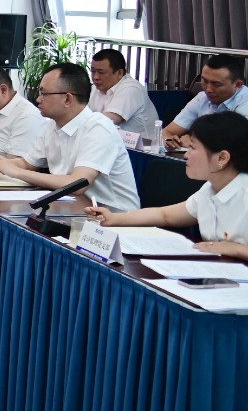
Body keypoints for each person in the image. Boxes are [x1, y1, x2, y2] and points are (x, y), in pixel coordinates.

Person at [0, 62, 140, 212]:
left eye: (44, 94)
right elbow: (27, 163)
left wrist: (16, 172)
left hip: (115, 218)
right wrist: (1, 163)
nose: (38, 99)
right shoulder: (52, 125)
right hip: (72, 209)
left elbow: (77, 184)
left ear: (67, 99)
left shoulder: (98, 128)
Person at [86, 113, 248, 257]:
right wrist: (113, 218)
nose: (186, 155)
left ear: (222, 158)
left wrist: (237, 249)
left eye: (192, 148)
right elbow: (164, 215)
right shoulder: (209, 189)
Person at [163, 54, 248, 148]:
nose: (208, 89)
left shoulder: (245, 101)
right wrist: (170, 141)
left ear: (238, 85)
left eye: (216, 84)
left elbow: (234, 143)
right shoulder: (202, 98)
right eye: (204, 81)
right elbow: (167, 131)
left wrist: (193, 142)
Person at [87, 48, 158, 136]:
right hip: (111, 141)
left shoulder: (131, 88)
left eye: (101, 72)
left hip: (142, 144)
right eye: (93, 71)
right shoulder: (95, 88)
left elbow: (106, 122)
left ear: (119, 73)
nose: (95, 77)